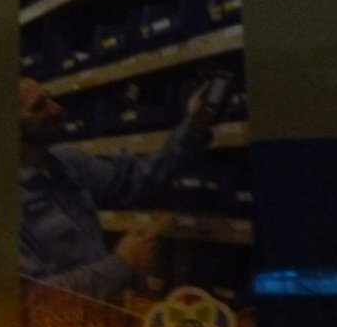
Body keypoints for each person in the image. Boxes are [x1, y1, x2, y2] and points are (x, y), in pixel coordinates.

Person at [19, 76, 216, 302]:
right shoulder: (1, 207)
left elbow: (137, 180)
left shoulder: (67, 162)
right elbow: (33, 299)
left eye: (50, 99)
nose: (56, 109)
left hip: (106, 315)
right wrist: (123, 264)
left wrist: (194, 127)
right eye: (39, 106)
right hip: (63, 323)